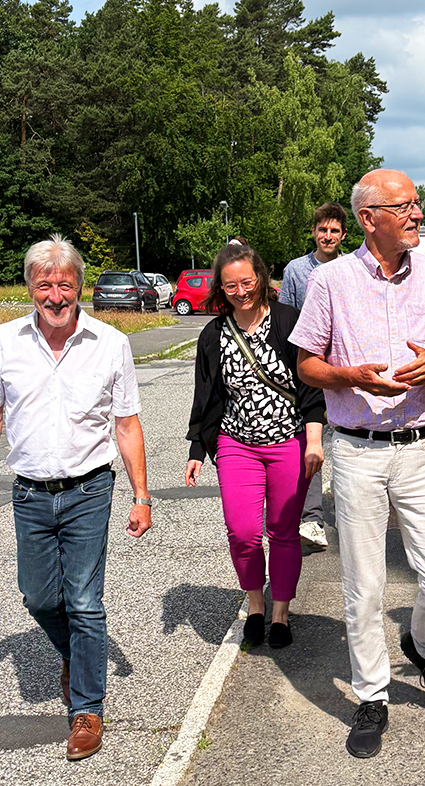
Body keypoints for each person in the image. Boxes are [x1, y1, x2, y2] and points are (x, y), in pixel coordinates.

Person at [290, 168, 425, 759]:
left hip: (421, 448)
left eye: (419, 205)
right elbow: (307, 364)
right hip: (358, 449)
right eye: (407, 206)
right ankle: (372, 695)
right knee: (363, 585)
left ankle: (424, 646)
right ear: (369, 219)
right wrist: (349, 376)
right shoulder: (332, 282)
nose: (420, 214)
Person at [0, 235, 153, 761]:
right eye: (44, 284)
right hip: (28, 493)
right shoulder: (4, 341)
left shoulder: (110, 343)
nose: (54, 294)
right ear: (29, 287)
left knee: (86, 601)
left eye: (64, 284)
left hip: (90, 489)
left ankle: (87, 710)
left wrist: (142, 494)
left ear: (79, 287)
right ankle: (77, 653)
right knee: (41, 597)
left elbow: (127, 423)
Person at [185, 241, 326, 649]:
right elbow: (205, 395)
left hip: (288, 442)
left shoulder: (288, 321)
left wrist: (313, 441)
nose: (241, 291)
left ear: (261, 278)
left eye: (247, 282)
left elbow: (311, 386)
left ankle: (280, 612)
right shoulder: (213, 334)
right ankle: (255, 604)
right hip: (236, 444)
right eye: (231, 286)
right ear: (221, 288)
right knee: (243, 531)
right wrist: (197, 449)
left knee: (283, 531)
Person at [278, 202, 348, 549]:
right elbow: (287, 321)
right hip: (309, 369)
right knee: (313, 441)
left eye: (334, 230)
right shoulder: (295, 270)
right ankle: (312, 518)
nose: (328, 236)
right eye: (323, 230)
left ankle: (349, 510)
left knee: (348, 440)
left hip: (345, 368)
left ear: (343, 234)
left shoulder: (353, 268)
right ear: (314, 232)